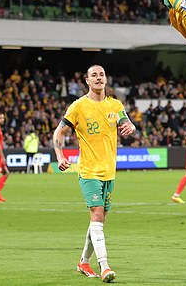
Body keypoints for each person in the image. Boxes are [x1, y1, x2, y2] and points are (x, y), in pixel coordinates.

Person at [53, 65, 136, 282]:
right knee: (97, 215)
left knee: (99, 221)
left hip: (109, 172)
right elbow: (59, 132)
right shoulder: (78, 106)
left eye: (101, 75)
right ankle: (105, 266)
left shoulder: (115, 105)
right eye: (94, 75)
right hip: (89, 171)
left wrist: (131, 127)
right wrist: (60, 156)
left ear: (106, 79)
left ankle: (83, 261)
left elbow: (126, 122)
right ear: (87, 81)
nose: (98, 78)